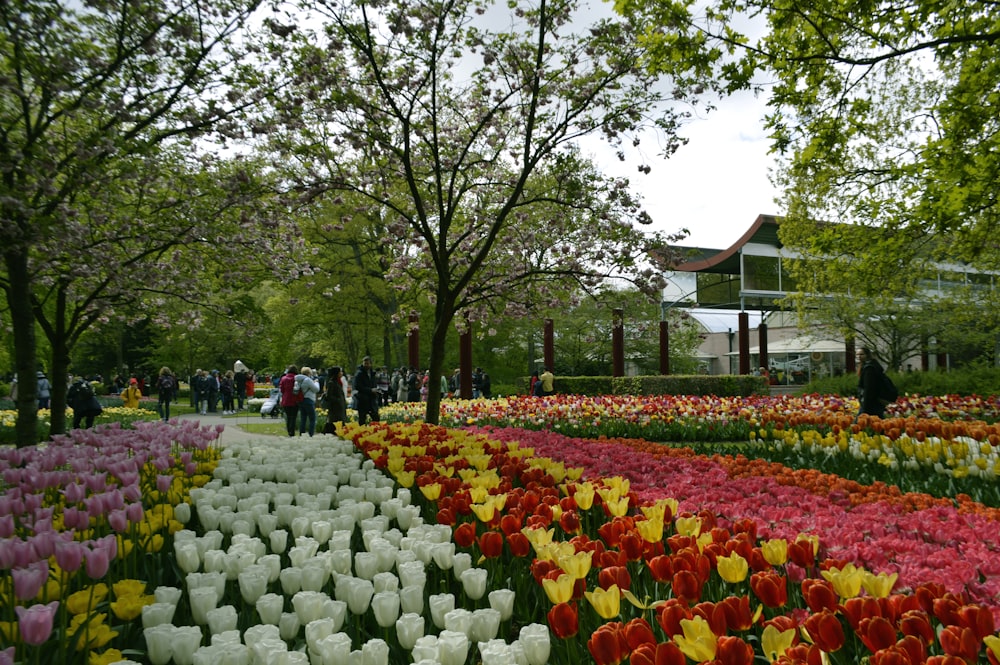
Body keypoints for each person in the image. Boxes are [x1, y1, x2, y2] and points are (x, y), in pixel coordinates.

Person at [857, 347, 886, 418]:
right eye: (857, 355)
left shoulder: (869, 369)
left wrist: (866, 406)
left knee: (860, 422)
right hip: (875, 401)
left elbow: (869, 388)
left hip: (871, 402)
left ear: (867, 355)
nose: (859, 357)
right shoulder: (870, 366)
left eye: (861, 354)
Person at [354, 356, 380, 425]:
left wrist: (376, 391)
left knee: (376, 419)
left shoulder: (373, 374)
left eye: (368, 363)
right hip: (363, 399)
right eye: (365, 363)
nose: (366, 365)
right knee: (362, 420)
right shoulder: (359, 374)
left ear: (371, 364)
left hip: (372, 399)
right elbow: (357, 386)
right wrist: (370, 390)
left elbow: (374, 384)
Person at [322, 366, 348, 433]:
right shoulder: (332, 383)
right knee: (335, 425)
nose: (341, 373)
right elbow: (329, 396)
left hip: (339, 408)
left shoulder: (338, 382)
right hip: (335, 409)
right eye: (340, 372)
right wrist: (338, 400)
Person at [296, 367, 320, 436]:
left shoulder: (298, 380)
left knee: (303, 418)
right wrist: (316, 382)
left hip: (301, 400)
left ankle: (302, 434)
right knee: (312, 419)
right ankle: (311, 434)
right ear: (309, 373)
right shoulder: (308, 380)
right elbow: (316, 389)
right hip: (309, 399)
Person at [278, 365, 301, 437]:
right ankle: (292, 432)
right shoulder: (297, 378)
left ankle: (289, 431)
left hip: (286, 400)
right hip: (294, 400)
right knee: (293, 417)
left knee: (288, 417)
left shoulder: (283, 378)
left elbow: (281, 389)